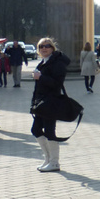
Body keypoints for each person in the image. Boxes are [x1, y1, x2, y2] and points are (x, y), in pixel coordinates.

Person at [30, 37, 69, 173]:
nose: (44, 48)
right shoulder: (43, 62)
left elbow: (57, 83)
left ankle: (54, 162)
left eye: (47, 46)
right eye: (41, 46)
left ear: (52, 48)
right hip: (41, 102)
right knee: (35, 130)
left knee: (49, 131)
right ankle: (48, 158)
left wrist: (41, 77)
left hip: (51, 102)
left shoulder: (57, 63)